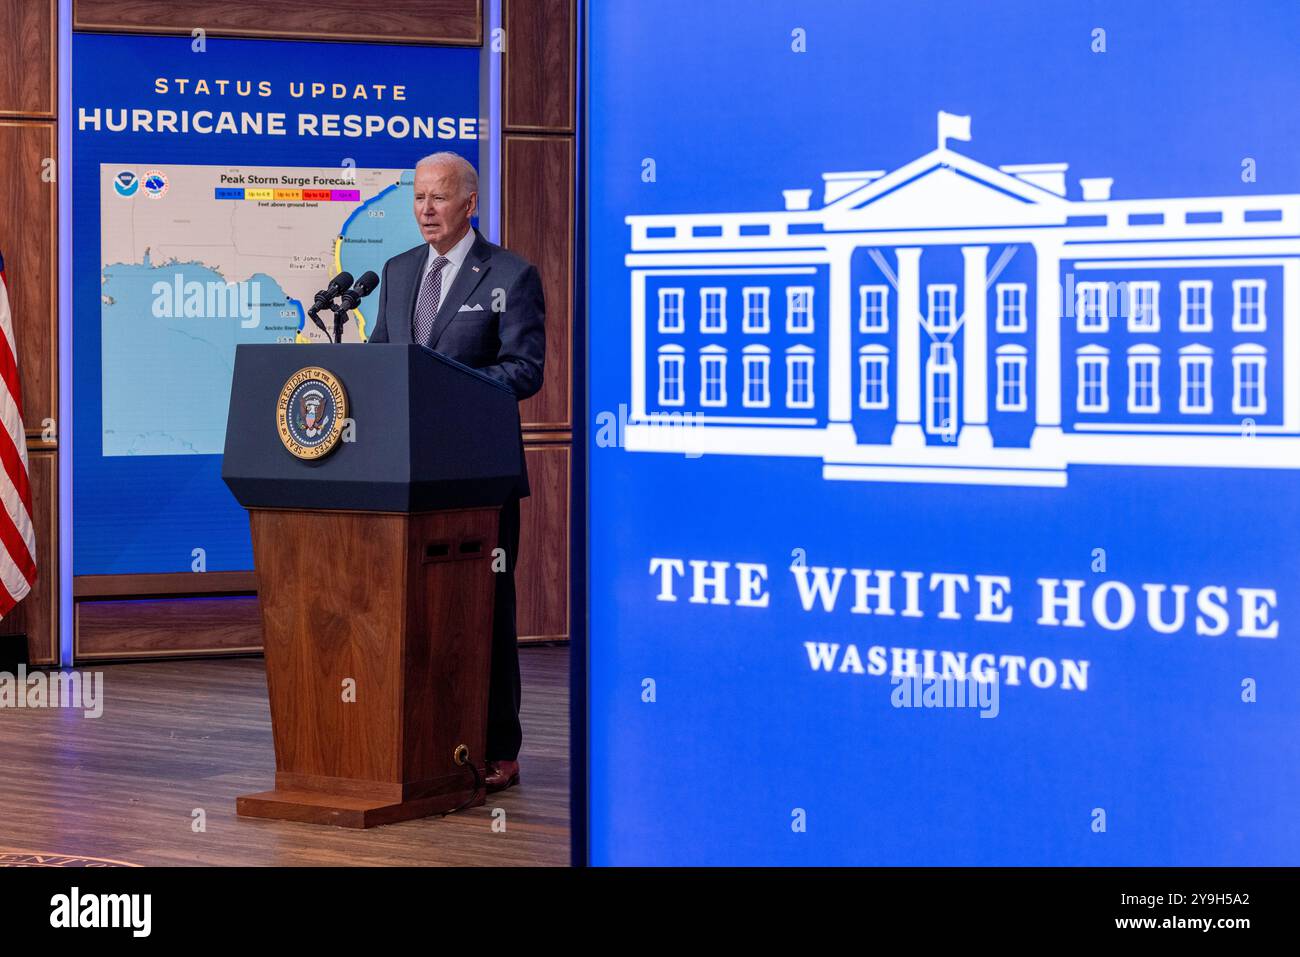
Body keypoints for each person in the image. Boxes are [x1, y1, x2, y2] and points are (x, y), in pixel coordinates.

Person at [368, 151, 545, 793]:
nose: (425, 210)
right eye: (418, 197)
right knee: (410, 610)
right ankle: (420, 740)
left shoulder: (510, 273)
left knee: (485, 610)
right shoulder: (396, 271)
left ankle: (499, 743)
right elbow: (382, 362)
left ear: (470, 204)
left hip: (478, 479)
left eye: (438, 198)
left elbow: (525, 370)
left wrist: (446, 386)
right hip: (403, 477)